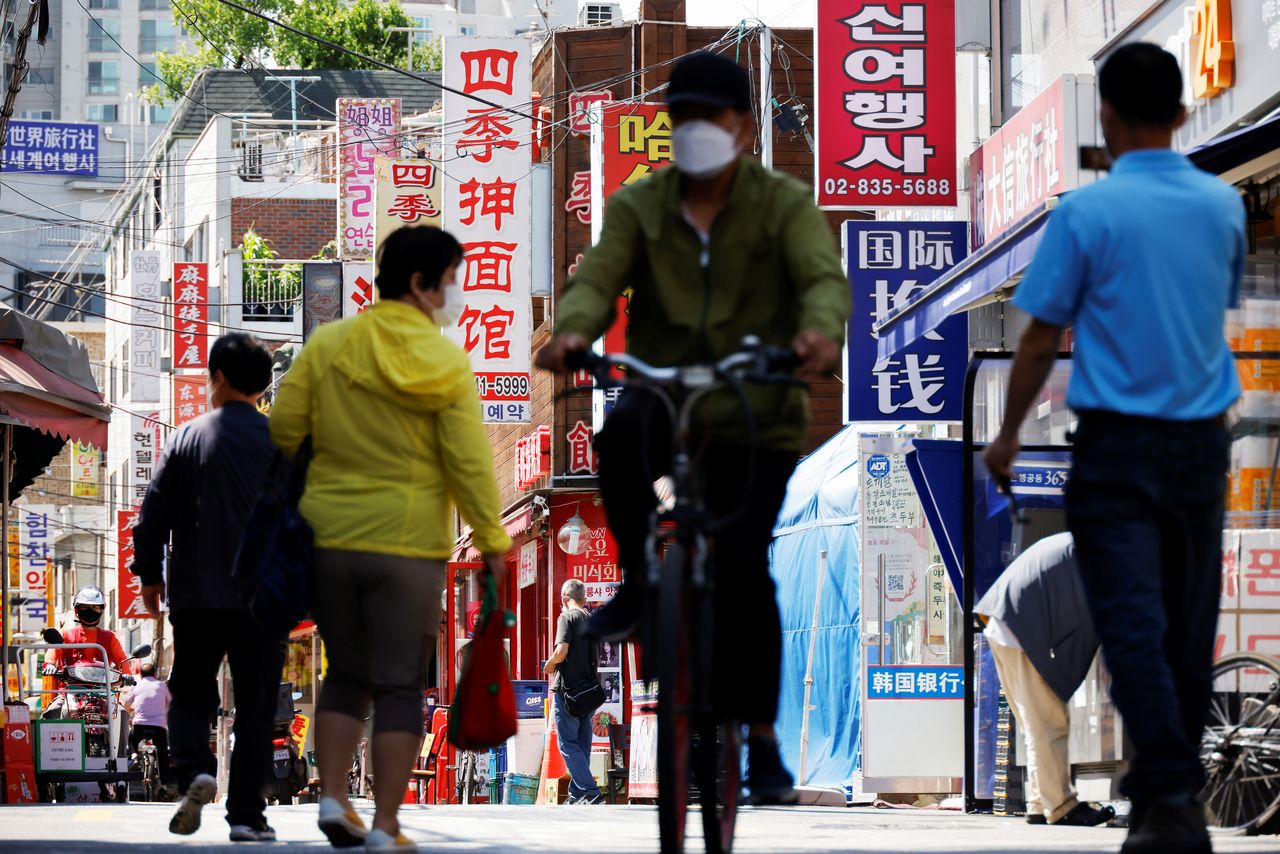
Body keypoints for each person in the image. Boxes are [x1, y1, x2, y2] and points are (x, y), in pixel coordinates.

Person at [535, 50, 850, 805]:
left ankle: (766, 745)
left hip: (757, 412)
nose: (697, 131)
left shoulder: (784, 206)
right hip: (665, 393)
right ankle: (643, 582)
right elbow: (596, 279)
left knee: (746, 568)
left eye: (712, 117)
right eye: (684, 119)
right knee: (616, 438)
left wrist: (817, 335)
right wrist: (573, 334)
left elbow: (821, 279)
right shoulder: (643, 207)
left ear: (743, 126)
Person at [982, 43, 1245, 854]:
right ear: (1179, 113)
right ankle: (1172, 794)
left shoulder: (1086, 214)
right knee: (1185, 622)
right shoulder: (1224, 208)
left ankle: (1164, 793)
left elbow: (1034, 341)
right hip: (1202, 448)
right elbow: (1219, 303)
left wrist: (1007, 435)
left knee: (1129, 621)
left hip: (1118, 450)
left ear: (1107, 117)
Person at [270, 225, 510, 852]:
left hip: (330, 541)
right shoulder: (445, 362)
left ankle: (331, 799)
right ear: (421, 284)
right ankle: (385, 823)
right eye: (451, 280)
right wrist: (491, 541)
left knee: (347, 673)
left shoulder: (328, 346)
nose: (456, 292)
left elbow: (285, 429)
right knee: (401, 683)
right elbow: (467, 462)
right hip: (408, 547)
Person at [131, 333, 285, 843]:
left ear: (218, 378)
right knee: (258, 706)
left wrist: (150, 575)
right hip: (262, 598)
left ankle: (197, 768)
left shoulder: (187, 438)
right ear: (263, 386)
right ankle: (245, 815)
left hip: (197, 596)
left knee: (193, 692)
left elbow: (152, 513)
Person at [976, 533, 1113, 828]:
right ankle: (1061, 806)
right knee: (1048, 722)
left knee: (1037, 722)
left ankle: (1040, 803)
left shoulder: (1090, 542)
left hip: (1007, 621)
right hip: (1022, 626)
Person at [543, 580, 604, 805]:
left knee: (567, 744)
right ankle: (576, 795)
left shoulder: (566, 618)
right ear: (584, 598)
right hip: (589, 693)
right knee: (582, 744)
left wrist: (550, 664)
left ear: (563, 597)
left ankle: (590, 792)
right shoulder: (592, 620)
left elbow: (561, 650)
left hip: (568, 692)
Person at [41, 586, 129, 719]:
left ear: (101, 610)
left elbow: (122, 661)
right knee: (52, 712)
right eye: (85, 607)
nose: (90, 611)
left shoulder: (110, 637)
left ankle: (122, 741)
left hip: (103, 693)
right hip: (69, 692)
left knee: (122, 714)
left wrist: (127, 675)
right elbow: (53, 651)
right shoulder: (66, 634)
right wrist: (50, 664)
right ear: (77, 610)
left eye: (95, 607)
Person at [124, 662, 174, 791]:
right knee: (163, 754)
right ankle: (163, 784)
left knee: (131, 740)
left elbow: (127, 705)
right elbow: (171, 704)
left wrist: (129, 718)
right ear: (155, 674)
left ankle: (134, 756)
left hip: (140, 724)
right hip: (159, 726)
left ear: (140, 674)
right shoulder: (162, 686)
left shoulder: (137, 686)